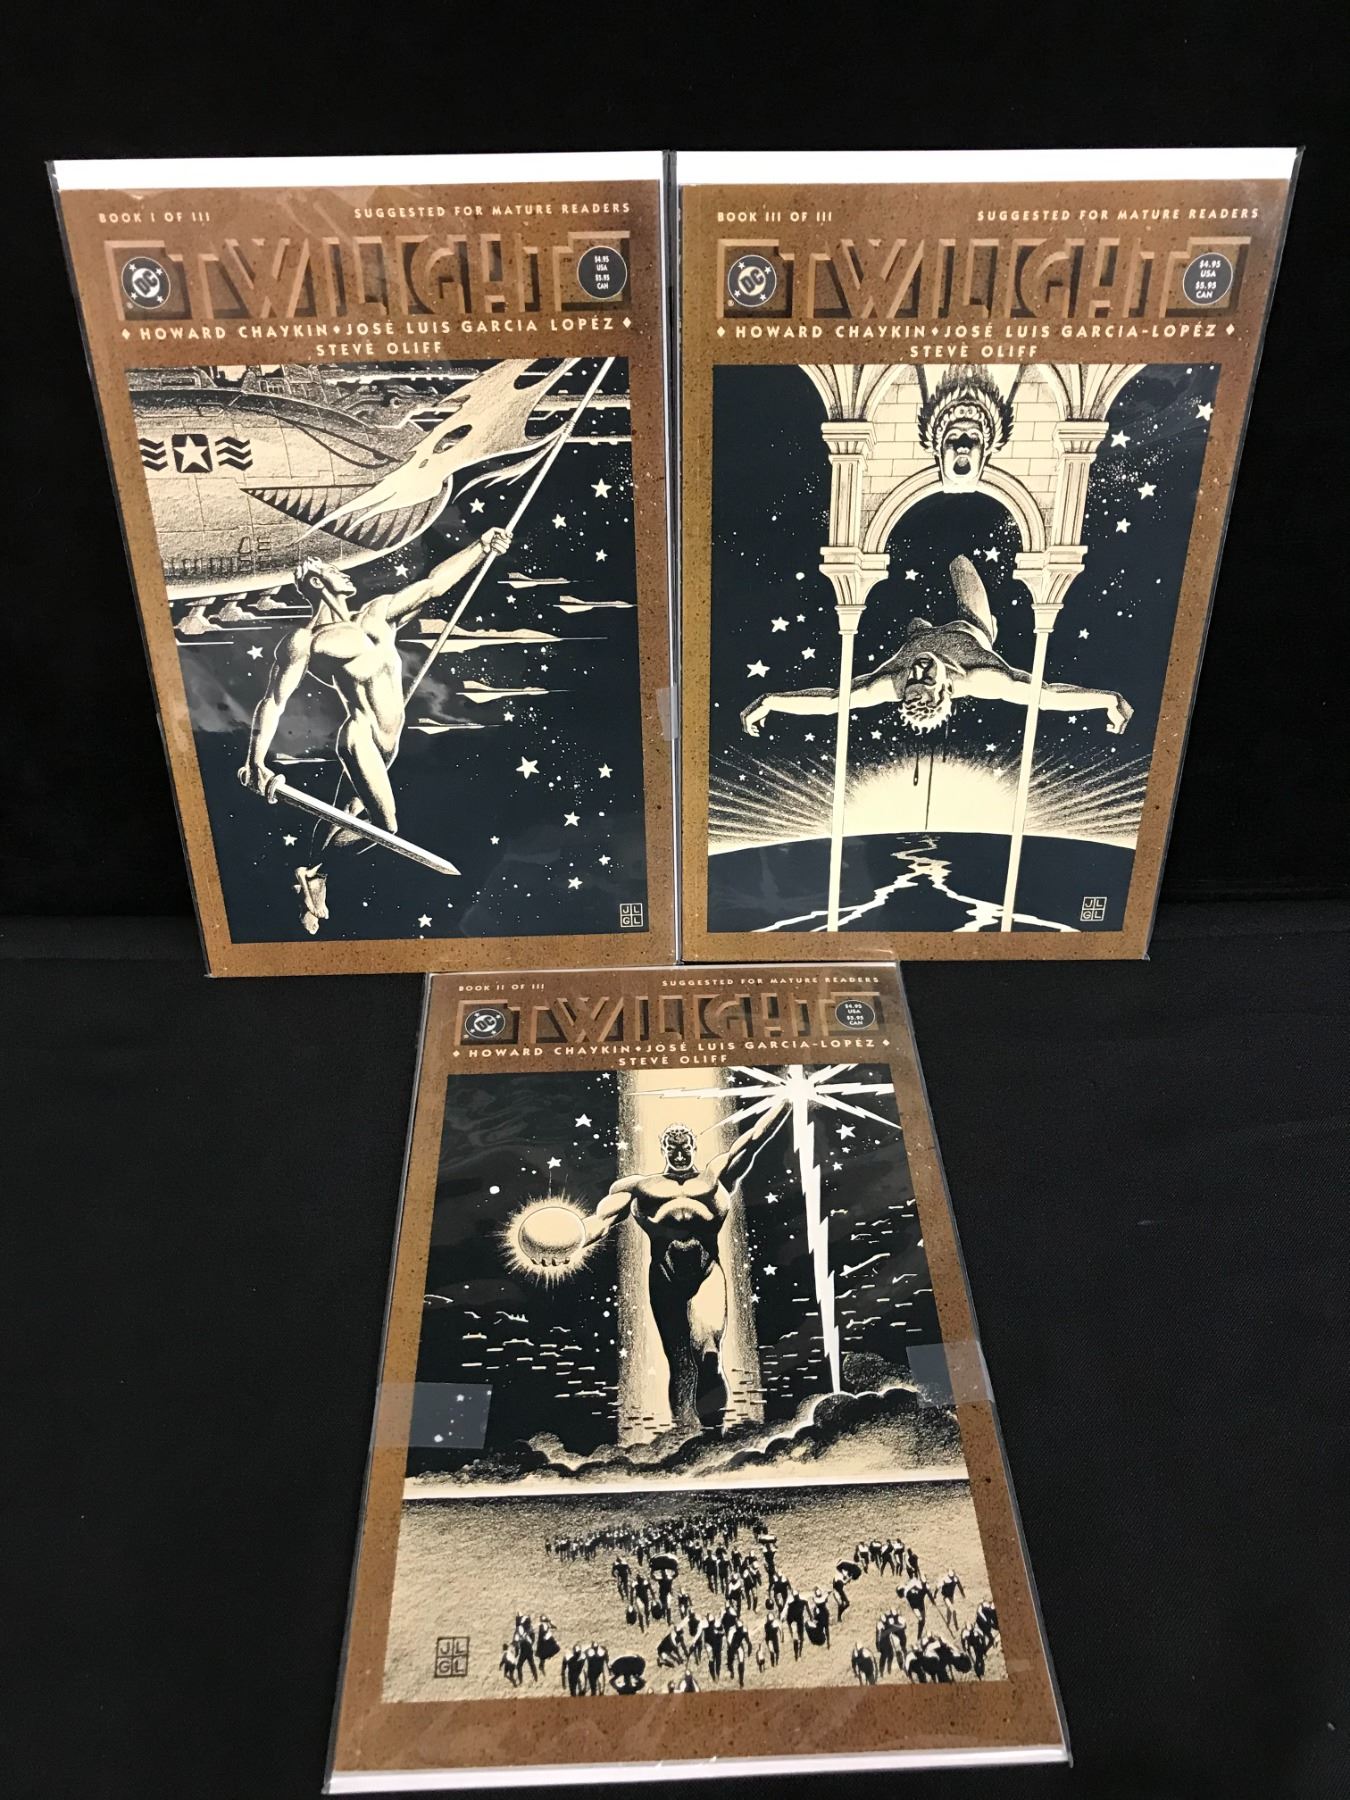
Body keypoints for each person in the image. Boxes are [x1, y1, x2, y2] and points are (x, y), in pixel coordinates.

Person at [238, 526, 511, 934]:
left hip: (389, 742)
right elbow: (274, 701)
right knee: (385, 828)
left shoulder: (378, 613)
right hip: (360, 735)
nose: (346, 574)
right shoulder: (307, 640)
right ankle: (315, 873)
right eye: (335, 570)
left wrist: (481, 546)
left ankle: (313, 878)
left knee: (346, 815)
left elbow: (433, 585)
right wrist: (256, 761)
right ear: (317, 582)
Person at [543, 1100, 792, 1430]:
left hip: (707, 1274)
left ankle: (714, 1434)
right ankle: (684, 1436)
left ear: (693, 1146)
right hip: (665, 1281)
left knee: (709, 1355)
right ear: (663, 1149)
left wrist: (786, 1100)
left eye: (684, 1147)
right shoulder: (639, 1188)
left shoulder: (716, 1177)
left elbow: (755, 1137)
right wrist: (569, 1243)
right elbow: (600, 1221)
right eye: (672, 1148)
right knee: (679, 1363)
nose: (679, 1154)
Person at [741, 554, 1133, 743]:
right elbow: (1045, 696)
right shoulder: (983, 677)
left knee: (916, 625)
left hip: (920, 632)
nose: (918, 670)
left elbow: (832, 701)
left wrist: (771, 701)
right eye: (926, 679)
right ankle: (990, 624)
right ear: (944, 688)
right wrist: (1107, 700)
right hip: (972, 626)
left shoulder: (890, 682)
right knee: (960, 563)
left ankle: (921, 627)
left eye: (912, 678)